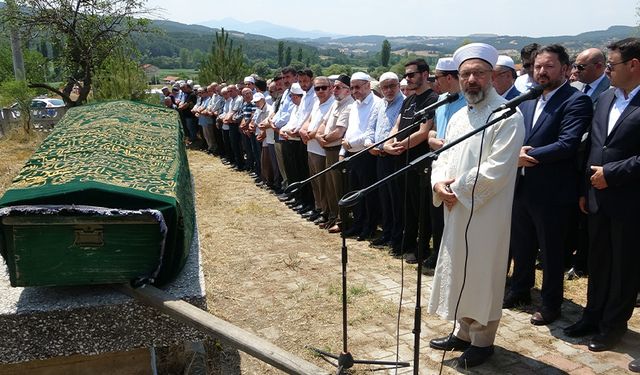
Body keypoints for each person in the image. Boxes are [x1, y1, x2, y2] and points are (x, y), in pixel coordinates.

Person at [427, 43, 525, 368]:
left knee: (484, 273)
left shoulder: (508, 115)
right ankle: (463, 331)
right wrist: (438, 182)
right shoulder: (457, 117)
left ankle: (484, 341)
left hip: (487, 212)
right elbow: (444, 157)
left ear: (492, 76)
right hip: (456, 208)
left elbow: (497, 169)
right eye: (466, 73)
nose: (471, 79)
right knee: (460, 270)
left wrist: (457, 187)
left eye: (479, 73)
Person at [504, 44, 593, 327]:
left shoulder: (575, 101)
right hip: (522, 187)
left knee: (552, 251)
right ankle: (520, 290)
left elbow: (568, 144)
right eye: (537, 66)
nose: (541, 72)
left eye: (549, 66)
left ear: (565, 70)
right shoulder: (528, 99)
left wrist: (524, 156)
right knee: (522, 244)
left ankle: (551, 303)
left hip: (553, 192)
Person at [563, 39, 640, 362]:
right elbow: (593, 147)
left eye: (613, 65)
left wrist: (613, 173)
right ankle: (592, 315)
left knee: (624, 266)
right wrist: (585, 188)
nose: (607, 70)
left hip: (630, 200)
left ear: (634, 65)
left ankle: (613, 325)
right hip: (596, 196)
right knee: (598, 261)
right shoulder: (606, 97)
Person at [383, 58, 439, 261]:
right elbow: (397, 126)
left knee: (421, 209)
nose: (407, 79)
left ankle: (422, 249)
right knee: (405, 206)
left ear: (425, 75)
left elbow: (424, 132)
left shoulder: (433, 99)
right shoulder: (408, 100)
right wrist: (388, 143)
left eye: (411, 74)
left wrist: (399, 145)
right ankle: (406, 244)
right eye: (405, 75)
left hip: (419, 163)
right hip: (400, 160)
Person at [425, 57, 466, 268]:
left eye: (437, 77)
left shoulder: (468, 102)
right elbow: (434, 128)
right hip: (439, 164)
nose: (435, 81)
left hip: (458, 167)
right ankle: (437, 251)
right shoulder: (441, 101)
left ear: (449, 77)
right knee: (436, 213)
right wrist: (431, 138)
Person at [365, 71, 404, 247]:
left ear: (398, 86)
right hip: (379, 156)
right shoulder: (379, 105)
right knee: (384, 198)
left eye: (392, 86)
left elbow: (397, 131)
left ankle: (397, 236)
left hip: (395, 157)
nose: (389, 90)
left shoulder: (404, 103)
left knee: (396, 199)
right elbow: (370, 127)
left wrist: (380, 146)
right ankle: (387, 233)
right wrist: (369, 143)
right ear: (380, 88)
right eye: (385, 87)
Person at [341, 71, 381, 241]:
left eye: (358, 87)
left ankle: (368, 227)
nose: (354, 91)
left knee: (367, 194)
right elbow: (350, 129)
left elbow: (369, 132)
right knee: (354, 193)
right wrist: (344, 151)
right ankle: (357, 224)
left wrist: (350, 143)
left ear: (368, 86)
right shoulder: (354, 105)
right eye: (352, 88)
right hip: (352, 153)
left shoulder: (377, 104)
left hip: (366, 155)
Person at [316, 74, 354, 233]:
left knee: (339, 188)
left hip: (337, 150)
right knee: (330, 188)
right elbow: (324, 123)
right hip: (327, 148)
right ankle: (332, 217)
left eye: (338, 87)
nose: (334, 90)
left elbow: (338, 133)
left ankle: (342, 220)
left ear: (347, 90)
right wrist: (319, 136)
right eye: (334, 86)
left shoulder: (349, 105)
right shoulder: (335, 103)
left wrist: (323, 138)